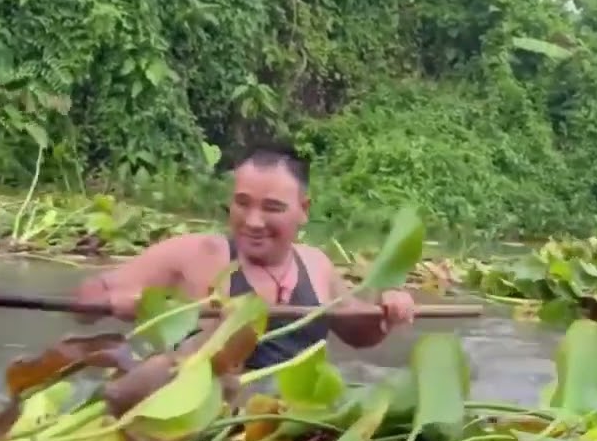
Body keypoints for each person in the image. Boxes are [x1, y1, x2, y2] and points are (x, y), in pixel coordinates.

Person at [73, 146, 416, 370]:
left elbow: (361, 334)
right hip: (206, 422)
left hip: (290, 426)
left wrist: (387, 309)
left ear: (303, 210)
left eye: (272, 208)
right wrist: (123, 302)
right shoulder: (195, 254)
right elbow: (84, 302)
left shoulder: (317, 264)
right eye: (242, 203)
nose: (253, 222)